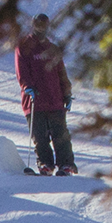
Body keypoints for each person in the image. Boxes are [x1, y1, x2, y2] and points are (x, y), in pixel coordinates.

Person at [14, 14, 77, 177]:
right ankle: (45, 163)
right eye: (38, 25)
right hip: (34, 100)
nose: (41, 29)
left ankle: (66, 164)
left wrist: (67, 93)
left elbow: (62, 73)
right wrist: (27, 87)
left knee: (60, 134)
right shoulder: (24, 48)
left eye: (44, 25)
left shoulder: (53, 49)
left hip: (55, 98)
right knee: (39, 136)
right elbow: (22, 72)